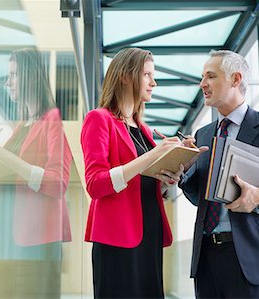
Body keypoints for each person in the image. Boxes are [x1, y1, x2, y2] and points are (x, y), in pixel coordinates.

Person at [178, 49, 259, 298]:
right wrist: (184, 173)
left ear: (236, 79)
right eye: (203, 77)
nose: (202, 84)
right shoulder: (204, 135)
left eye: (211, 76)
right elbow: (201, 199)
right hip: (206, 258)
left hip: (252, 257)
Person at [80, 47, 186, 299]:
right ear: (125, 76)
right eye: (147, 74)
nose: (154, 82)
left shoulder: (144, 130)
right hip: (117, 236)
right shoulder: (99, 119)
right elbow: (96, 184)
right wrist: (151, 156)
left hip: (148, 232)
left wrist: (168, 174)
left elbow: (142, 182)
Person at [0, 48, 72, 299]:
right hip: (11, 234)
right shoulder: (23, 124)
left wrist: (3, 157)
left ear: (30, 76)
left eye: (13, 75)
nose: (7, 82)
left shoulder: (52, 119)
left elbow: (58, 183)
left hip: (37, 239)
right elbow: (12, 171)